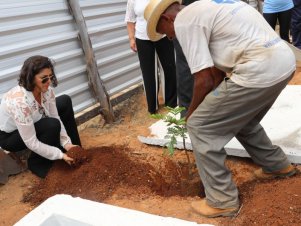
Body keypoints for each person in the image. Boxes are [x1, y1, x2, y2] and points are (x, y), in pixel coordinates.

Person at [144, 0, 298, 218]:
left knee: (200, 126)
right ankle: (276, 165)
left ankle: (222, 200)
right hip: (283, 63)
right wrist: (211, 106)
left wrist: (192, 114)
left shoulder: (185, 22)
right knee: (238, 117)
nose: (171, 38)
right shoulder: (209, 8)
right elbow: (216, 74)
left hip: (258, 70)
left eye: (166, 33)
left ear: (168, 19)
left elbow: (204, 79)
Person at [0, 55, 82, 178]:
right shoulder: (19, 103)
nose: (49, 82)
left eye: (51, 77)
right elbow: (31, 142)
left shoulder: (47, 91)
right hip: (10, 136)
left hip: (32, 120)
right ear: (31, 79)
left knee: (64, 101)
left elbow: (56, 116)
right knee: (51, 125)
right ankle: (36, 162)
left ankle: (75, 151)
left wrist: (67, 144)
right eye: (44, 79)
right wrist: (59, 155)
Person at [125, 0, 177, 114]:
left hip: (162, 35)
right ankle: (152, 108)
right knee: (148, 73)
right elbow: (130, 20)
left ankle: (172, 104)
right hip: (142, 38)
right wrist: (131, 38)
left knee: (169, 69)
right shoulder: (132, 1)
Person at [173, 0, 197, 117]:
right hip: (185, 11)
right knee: (185, 65)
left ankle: (187, 110)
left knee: (185, 65)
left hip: (189, 12)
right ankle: (187, 111)